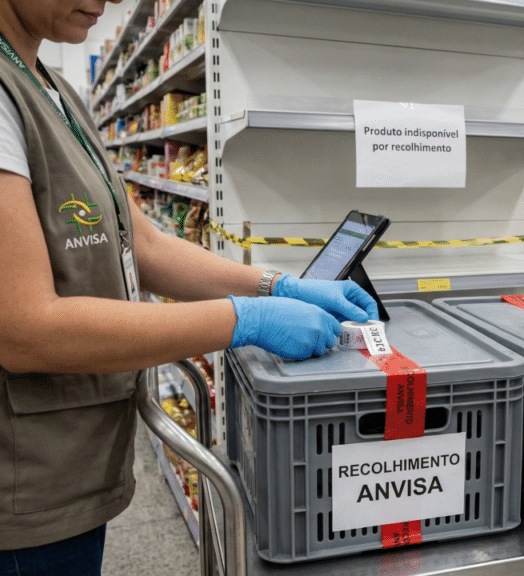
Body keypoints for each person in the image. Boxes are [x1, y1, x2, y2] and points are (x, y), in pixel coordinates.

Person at [0, 2, 377, 574]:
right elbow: (25, 329)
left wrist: (278, 284)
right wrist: (243, 320)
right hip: (25, 489)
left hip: (74, 466)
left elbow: (143, 243)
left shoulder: (54, 89)